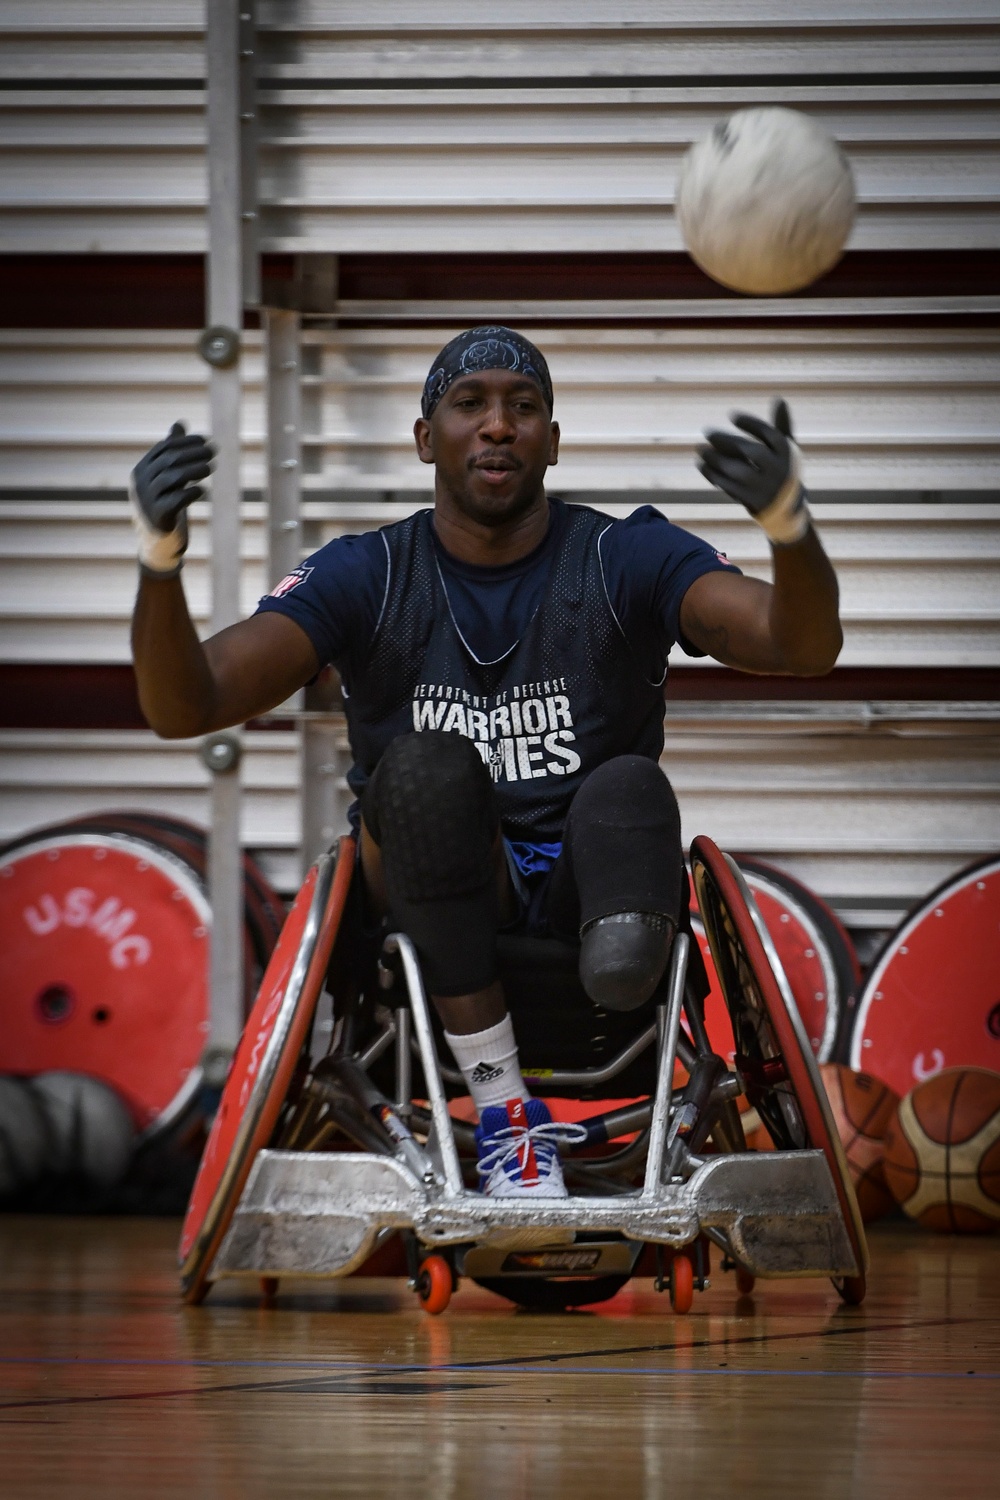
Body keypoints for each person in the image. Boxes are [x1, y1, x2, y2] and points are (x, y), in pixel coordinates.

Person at [130, 326, 842, 1198]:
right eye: (470, 405)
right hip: (440, 908)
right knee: (427, 770)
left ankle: (617, 991)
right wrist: (159, 562)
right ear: (427, 439)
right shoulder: (370, 573)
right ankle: (507, 1116)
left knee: (627, 784)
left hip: (596, 898)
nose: (498, 425)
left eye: (524, 406)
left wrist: (789, 527)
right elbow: (185, 705)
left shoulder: (625, 557)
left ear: (553, 438)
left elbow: (799, 644)